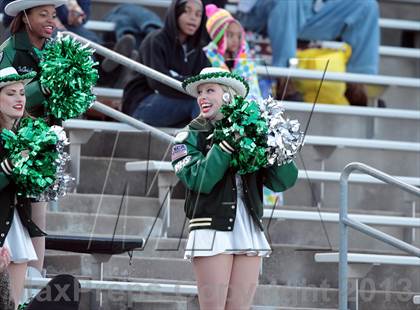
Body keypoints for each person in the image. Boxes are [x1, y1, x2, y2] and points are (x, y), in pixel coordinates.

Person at [171, 67, 298, 309]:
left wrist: (276, 147)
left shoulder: (250, 131)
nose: (202, 97)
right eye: (200, 92)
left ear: (229, 95)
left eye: (210, 90)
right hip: (211, 228)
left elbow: (284, 181)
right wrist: (226, 145)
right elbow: (200, 181)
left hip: (248, 225)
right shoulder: (189, 136)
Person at [0, 0, 67, 287]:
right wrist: (45, 88)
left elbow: (62, 102)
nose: (51, 20)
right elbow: (6, 94)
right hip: (13, 142)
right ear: (25, 17)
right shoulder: (9, 51)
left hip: (44, 142)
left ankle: (33, 282)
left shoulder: (55, 51)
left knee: (38, 212)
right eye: (43, 14)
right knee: (19, 208)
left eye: (53, 14)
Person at [236, 0, 380, 105]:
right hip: (262, 11)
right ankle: (284, 81)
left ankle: (357, 86)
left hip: (308, 12)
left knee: (366, 6)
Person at [122, 0, 210, 127]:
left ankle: (208, 144)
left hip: (180, 105)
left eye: (198, 14)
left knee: (212, 103)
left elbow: (208, 79)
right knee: (199, 103)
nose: (193, 18)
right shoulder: (155, 40)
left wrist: (194, 84)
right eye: (187, 11)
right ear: (175, 13)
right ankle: (207, 146)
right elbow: (158, 82)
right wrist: (196, 85)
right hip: (143, 105)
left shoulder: (198, 51)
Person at [0, 66, 46, 310]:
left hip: (15, 224)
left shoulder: (26, 135)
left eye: (22, 93)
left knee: (12, 304)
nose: (19, 99)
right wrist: (7, 169)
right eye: (10, 93)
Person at [204, 4, 262, 102]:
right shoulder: (208, 57)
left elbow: (250, 83)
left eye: (239, 36)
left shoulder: (244, 57)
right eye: (230, 35)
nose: (235, 40)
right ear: (219, 36)